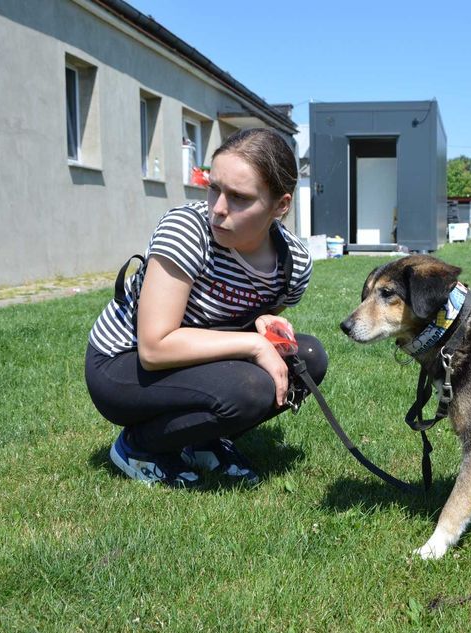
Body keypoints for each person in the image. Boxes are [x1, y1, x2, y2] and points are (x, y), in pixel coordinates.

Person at [85, 128, 327, 488]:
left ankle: (201, 441)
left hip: (191, 358)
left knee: (307, 358)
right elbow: (154, 347)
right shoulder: (187, 230)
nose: (218, 208)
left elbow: (242, 320)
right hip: (124, 362)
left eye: (239, 197)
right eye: (214, 188)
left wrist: (262, 321)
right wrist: (254, 344)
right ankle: (140, 447)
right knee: (249, 389)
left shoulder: (294, 263)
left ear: (281, 206)